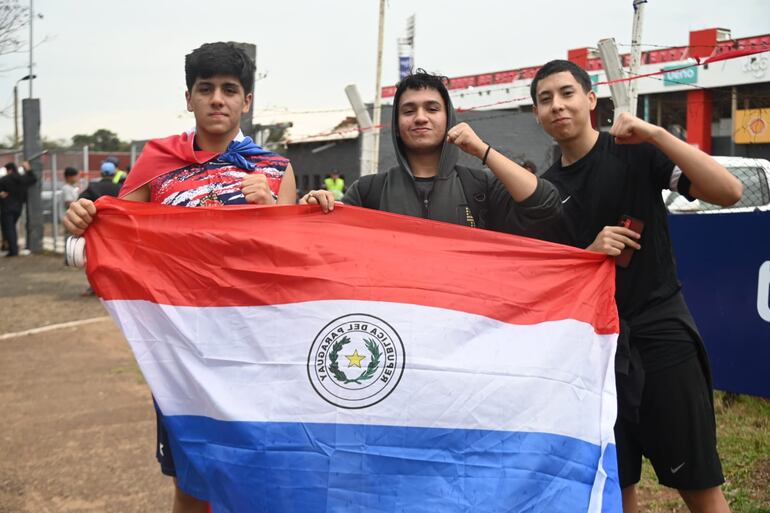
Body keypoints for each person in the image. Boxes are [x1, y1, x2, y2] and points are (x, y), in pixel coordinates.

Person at [64, 41, 297, 513]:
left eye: (229, 89)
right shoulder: (156, 163)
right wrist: (83, 220)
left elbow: (293, 262)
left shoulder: (276, 169)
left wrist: (272, 209)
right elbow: (117, 234)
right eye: (205, 89)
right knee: (191, 479)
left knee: (260, 473)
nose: (217, 99)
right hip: (182, 349)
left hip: (255, 346)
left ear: (247, 101)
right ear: (188, 98)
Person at [530, 59, 742, 513]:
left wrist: (657, 134)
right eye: (545, 99)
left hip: (661, 336)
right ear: (536, 114)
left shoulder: (636, 151)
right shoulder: (544, 190)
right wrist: (590, 252)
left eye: (567, 93)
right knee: (615, 487)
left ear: (591, 100)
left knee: (699, 484)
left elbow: (729, 192)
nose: (557, 106)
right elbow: (549, 278)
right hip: (596, 351)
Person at [302, 69, 560, 236]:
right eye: (409, 110)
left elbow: (545, 204)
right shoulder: (369, 191)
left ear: (449, 118)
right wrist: (313, 210)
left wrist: (483, 150)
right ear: (397, 124)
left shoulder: (480, 187)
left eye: (432, 109)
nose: (420, 118)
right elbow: (328, 242)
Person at [0, 161, 37, 257]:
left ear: (9, 170)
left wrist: (2, 194)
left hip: (6, 207)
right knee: (12, 228)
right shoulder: (22, 178)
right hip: (18, 207)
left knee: (9, 228)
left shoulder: (4, 179)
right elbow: (33, 179)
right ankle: (12, 248)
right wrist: (28, 169)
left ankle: (13, 250)